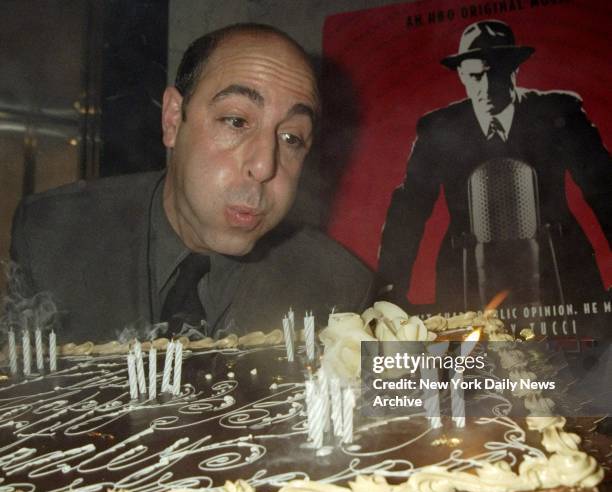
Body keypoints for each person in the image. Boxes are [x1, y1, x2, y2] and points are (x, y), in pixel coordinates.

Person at [9, 23, 373, 342]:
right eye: (235, 121)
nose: (264, 166)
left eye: (292, 138)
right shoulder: (52, 235)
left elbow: (403, 404)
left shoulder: (339, 288)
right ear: (172, 120)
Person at [378, 20, 611, 312]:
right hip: (469, 278)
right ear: (461, 75)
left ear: (515, 70)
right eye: (476, 76)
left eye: (497, 75)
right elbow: (410, 208)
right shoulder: (438, 128)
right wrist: (388, 289)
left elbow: (604, 188)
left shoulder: (558, 112)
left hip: (559, 271)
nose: (486, 88)